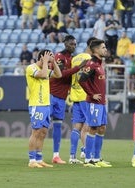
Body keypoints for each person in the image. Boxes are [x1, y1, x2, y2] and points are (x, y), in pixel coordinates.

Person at [26, 49, 62, 168]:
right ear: (41, 57)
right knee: (35, 132)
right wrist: (46, 62)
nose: (50, 58)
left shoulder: (47, 69)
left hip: (46, 104)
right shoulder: (31, 68)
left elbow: (59, 75)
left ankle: (39, 159)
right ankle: (32, 160)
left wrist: (54, 62)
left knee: (43, 132)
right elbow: (42, 75)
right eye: (48, 55)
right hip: (37, 104)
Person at [79, 39, 112, 167]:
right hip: (93, 103)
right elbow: (82, 80)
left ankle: (97, 158)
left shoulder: (99, 64)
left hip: (101, 102)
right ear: (96, 50)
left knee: (102, 127)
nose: (105, 49)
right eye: (103, 47)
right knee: (93, 128)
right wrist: (92, 94)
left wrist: (103, 96)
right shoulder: (91, 64)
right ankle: (88, 159)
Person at [50, 35, 79, 164]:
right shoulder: (59, 57)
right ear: (66, 43)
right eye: (72, 44)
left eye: (75, 44)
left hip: (62, 98)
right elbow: (60, 75)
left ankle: (56, 155)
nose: (74, 46)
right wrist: (77, 68)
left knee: (57, 126)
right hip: (50, 95)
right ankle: (35, 155)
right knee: (42, 127)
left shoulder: (72, 59)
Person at [69, 37, 97, 164]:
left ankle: (72, 156)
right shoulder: (90, 60)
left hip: (75, 96)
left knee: (77, 127)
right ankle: (87, 153)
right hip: (85, 97)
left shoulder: (74, 58)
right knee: (88, 126)